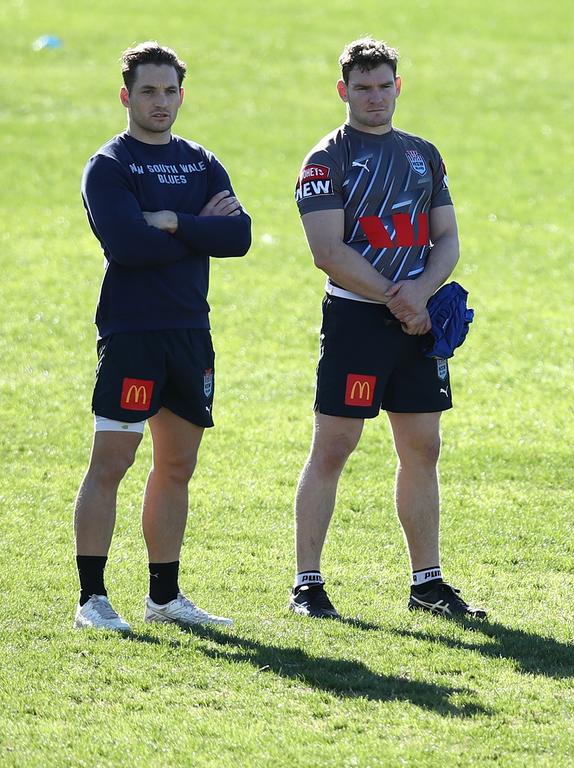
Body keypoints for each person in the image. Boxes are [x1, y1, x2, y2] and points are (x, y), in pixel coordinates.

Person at [289, 38, 485, 620]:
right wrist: (399, 300)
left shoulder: (423, 154)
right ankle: (307, 583)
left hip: (417, 318)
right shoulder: (326, 160)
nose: (374, 97)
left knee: (423, 446)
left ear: (398, 86)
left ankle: (427, 583)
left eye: (384, 86)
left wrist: (420, 294)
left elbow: (446, 237)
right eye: (362, 87)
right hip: (357, 320)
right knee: (335, 445)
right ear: (343, 90)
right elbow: (328, 250)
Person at [73, 42, 251, 631]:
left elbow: (241, 236)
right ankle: (92, 599)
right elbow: (128, 245)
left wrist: (174, 222)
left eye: (169, 90)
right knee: (114, 459)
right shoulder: (110, 166)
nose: (160, 101)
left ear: (182, 94)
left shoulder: (201, 161)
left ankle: (164, 599)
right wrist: (202, 229)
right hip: (132, 333)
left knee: (177, 464)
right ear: (127, 96)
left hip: (189, 333)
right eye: (148, 91)